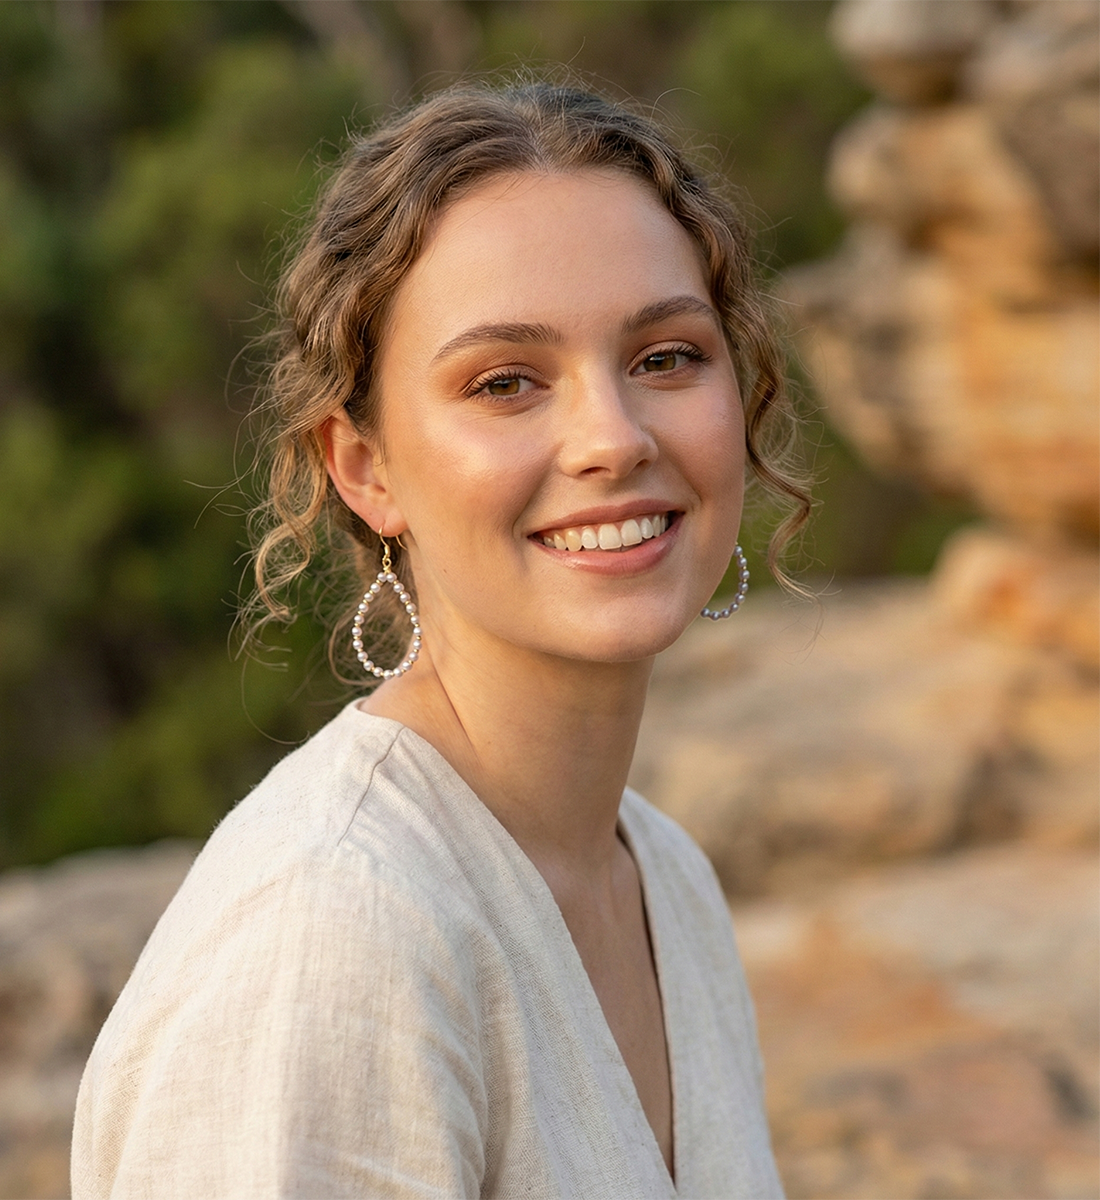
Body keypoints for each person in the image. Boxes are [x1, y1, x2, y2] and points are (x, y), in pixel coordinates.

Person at [71, 78, 809, 1199]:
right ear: (362, 468)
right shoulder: (334, 931)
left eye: (665, 357)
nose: (612, 438)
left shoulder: (666, 881)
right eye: (505, 383)